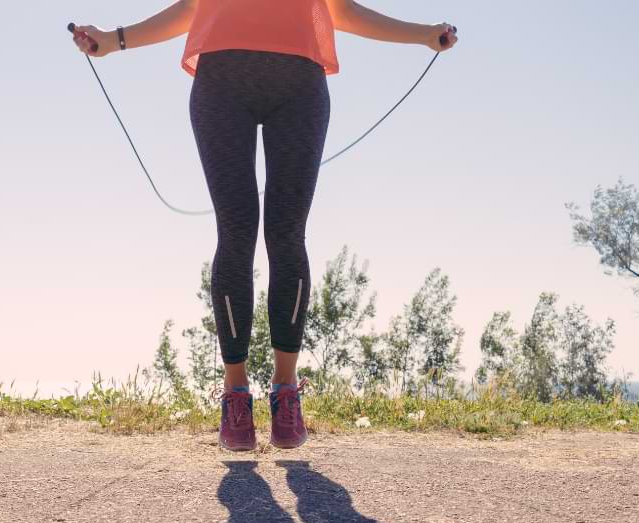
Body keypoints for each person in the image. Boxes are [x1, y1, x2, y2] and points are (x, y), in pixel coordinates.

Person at [72, 1, 457, 451]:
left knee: (286, 234)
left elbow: (343, 12)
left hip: (298, 87)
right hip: (221, 84)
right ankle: (236, 394)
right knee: (236, 233)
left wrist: (423, 34)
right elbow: (191, 10)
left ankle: (286, 391)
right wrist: (115, 41)